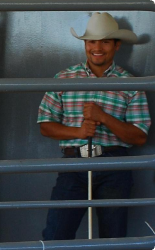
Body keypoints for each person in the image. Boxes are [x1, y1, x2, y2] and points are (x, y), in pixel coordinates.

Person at [37, 12, 151, 240]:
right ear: (85, 44)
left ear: (116, 45)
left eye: (105, 41)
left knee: (113, 238)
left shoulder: (131, 84)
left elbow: (139, 136)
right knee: (56, 234)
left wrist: (104, 117)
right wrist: (78, 132)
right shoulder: (63, 78)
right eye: (91, 41)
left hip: (114, 166)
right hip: (73, 165)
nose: (97, 47)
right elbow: (45, 125)